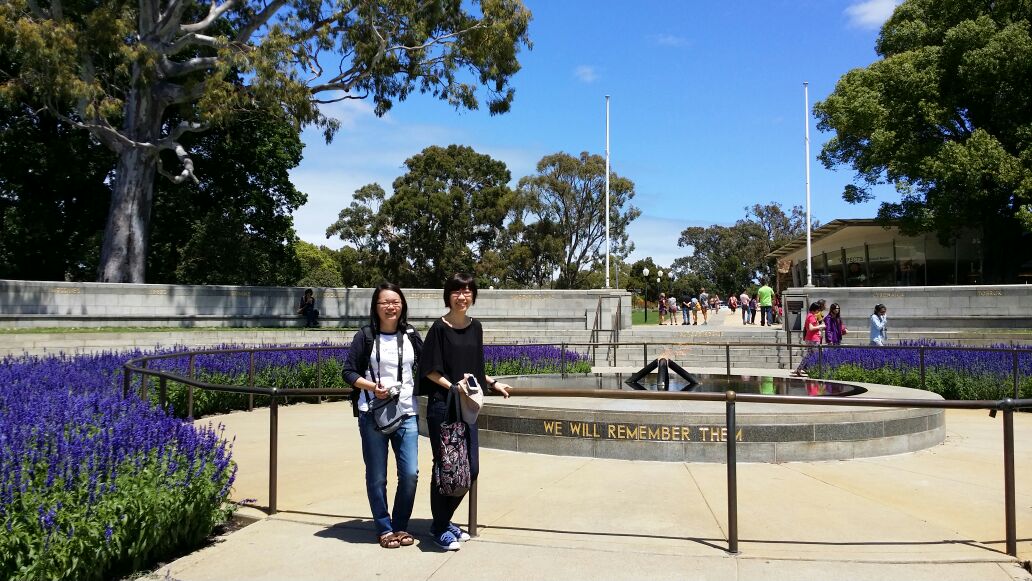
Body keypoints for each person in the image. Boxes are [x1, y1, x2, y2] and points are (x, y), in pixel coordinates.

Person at [421, 273, 511, 551]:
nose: (462, 296)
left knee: (470, 468)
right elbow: (429, 370)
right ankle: (439, 528)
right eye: (457, 291)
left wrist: (492, 383)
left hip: (468, 406)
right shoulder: (439, 328)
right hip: (443, 406)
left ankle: (442, 521)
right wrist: (453, 387)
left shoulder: (476, 327)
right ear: (448, 295)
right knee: (446, 466)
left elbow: (476, 368)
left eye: (468, 291)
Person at [342, 283, 423, 549]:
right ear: (375, 307)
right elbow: (348, 372)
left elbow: (430, 365)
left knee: (410, 474)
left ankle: (400, 525)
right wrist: (371, 387)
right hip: (372, 414)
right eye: (385, 302)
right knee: (377, 476)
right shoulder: (365, 336)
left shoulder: (410, 334)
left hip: (406, 412)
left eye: (396, 302)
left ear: (403, 306)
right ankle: (385, 528)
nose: (391, 307)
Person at [793, 302, 825, 376]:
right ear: (814, 309)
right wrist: (821, 326)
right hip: (813, 339)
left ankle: (800, 368)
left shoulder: (810, 315)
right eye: (818, 310)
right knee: (818, 355)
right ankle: (818, 370)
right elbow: (811, 328)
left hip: (811, 338)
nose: (818, 311)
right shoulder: (811, 316)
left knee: (809, 354)